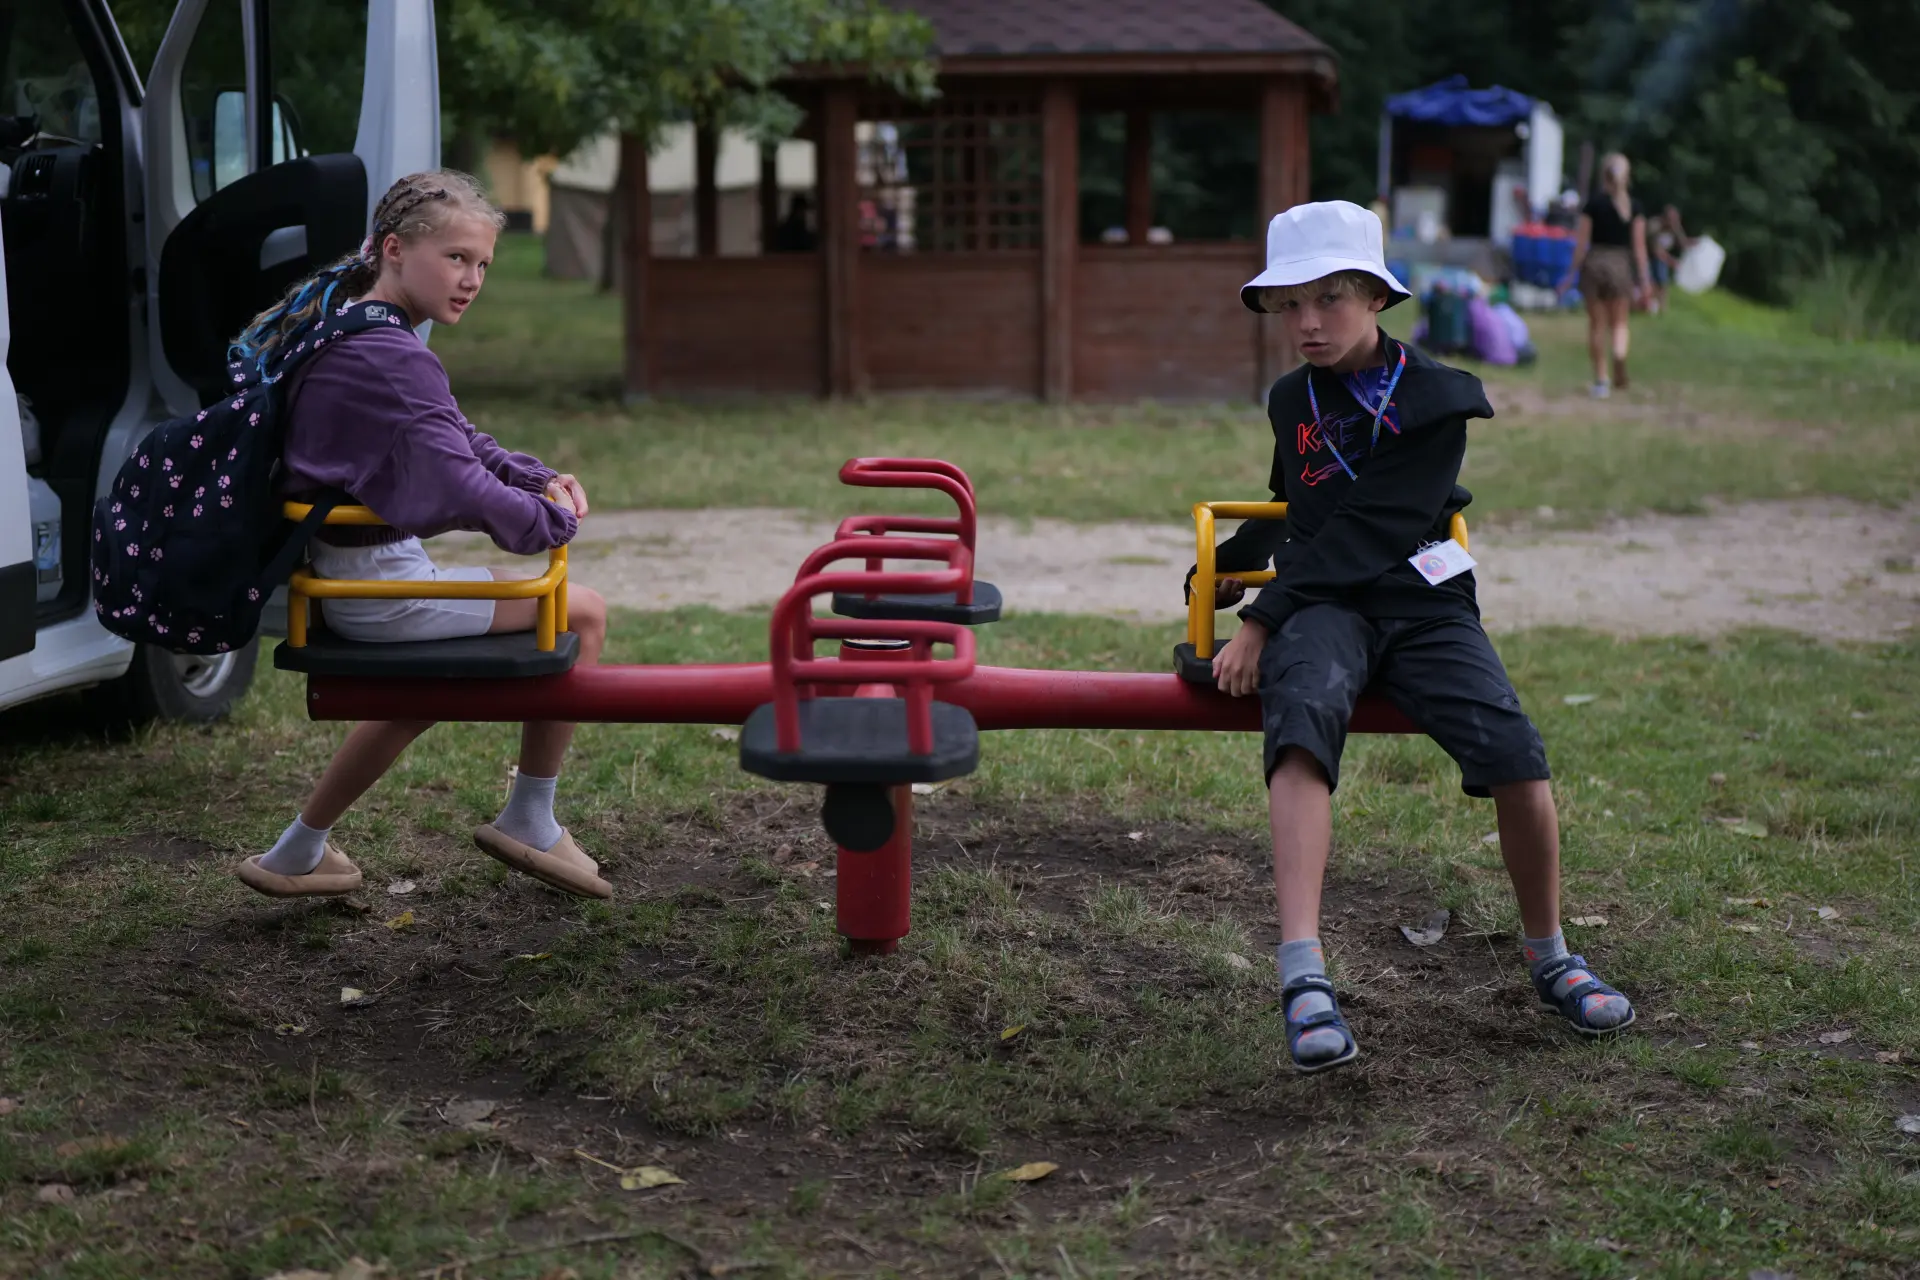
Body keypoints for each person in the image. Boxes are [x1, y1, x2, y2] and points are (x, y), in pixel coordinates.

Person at [1203, 200, 1635, 1074]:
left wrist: (1259, 619)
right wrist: (1227, 564)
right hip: (1326, 607)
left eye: (1329, 298)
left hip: (1420, 600)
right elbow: (1298, 502)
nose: (1308, 322)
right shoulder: (1292, 398)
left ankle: (1551, 954)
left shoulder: (1435, 400)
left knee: (1516, 753)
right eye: (1290, 305)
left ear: (1375, 296)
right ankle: (1303, 974)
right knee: (1300, 723)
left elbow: (1375, 525)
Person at [230, 171, 614, 902]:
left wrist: (534, 477)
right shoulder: (390, 355)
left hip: (353, 577)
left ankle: (296, 851)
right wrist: (551, 521)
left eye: (483, 265)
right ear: (395, 249)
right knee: (583, 611)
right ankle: (531, 816)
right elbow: (462, 483)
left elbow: (458, 435)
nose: (471, 280)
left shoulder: (351, 328)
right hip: (379, 590)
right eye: (457, 258)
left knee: (424, 693)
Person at [1561, 153, 1649, 397]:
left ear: (1603, 175)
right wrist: (1645, 280)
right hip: (1620, 265)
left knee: (1596, 326)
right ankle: (1619, 354)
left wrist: (1569, 274)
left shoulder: (1593, 204)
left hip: (1595, 264)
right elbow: (1640, 249)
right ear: (1627, 176)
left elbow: (1581, 245)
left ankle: (1601, 380)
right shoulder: (1634, 207)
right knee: (1619, 323)